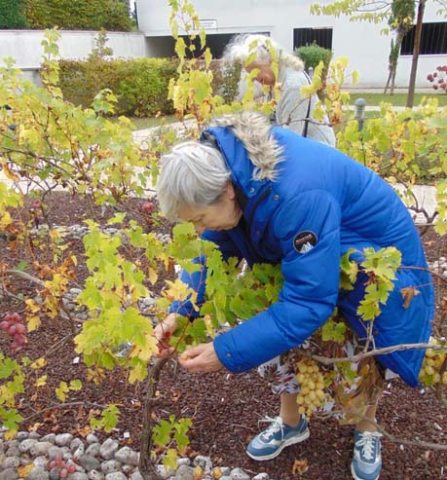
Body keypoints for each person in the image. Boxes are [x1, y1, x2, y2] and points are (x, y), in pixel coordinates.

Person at [155, 111, 434, 480]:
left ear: (226, 189)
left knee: (359, 351)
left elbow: (307, 303)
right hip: (321, 253)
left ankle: (368, 429)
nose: (200, 229)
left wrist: (225, 351)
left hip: (374, 265)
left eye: (200, 218)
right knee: (285, 344)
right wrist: (182, 310)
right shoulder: (230, 177)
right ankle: (292, 423)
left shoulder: (298, 195)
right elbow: (213, 246)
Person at [222, 33, 336, 147]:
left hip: (317, 152)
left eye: (256, 71)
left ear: (270, 61)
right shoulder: (276, 80)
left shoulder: (293, 86)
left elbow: (292, 139)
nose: (253, 78)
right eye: (250, 73)